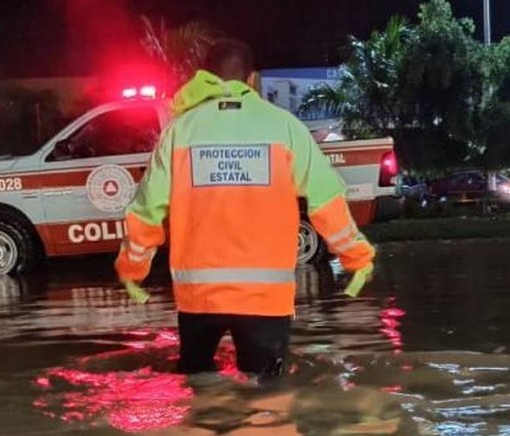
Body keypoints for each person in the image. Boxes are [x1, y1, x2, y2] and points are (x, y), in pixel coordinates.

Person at [115, 38, 375, 380]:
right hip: (265, 300)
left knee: (201, 395)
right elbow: (326, 201)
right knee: (268, 398)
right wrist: (358, 258)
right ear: (253, 79)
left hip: (198, 300)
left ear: (203, 77)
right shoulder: (285, 127)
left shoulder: (180, 131)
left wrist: (132, 270)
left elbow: (146, 212)